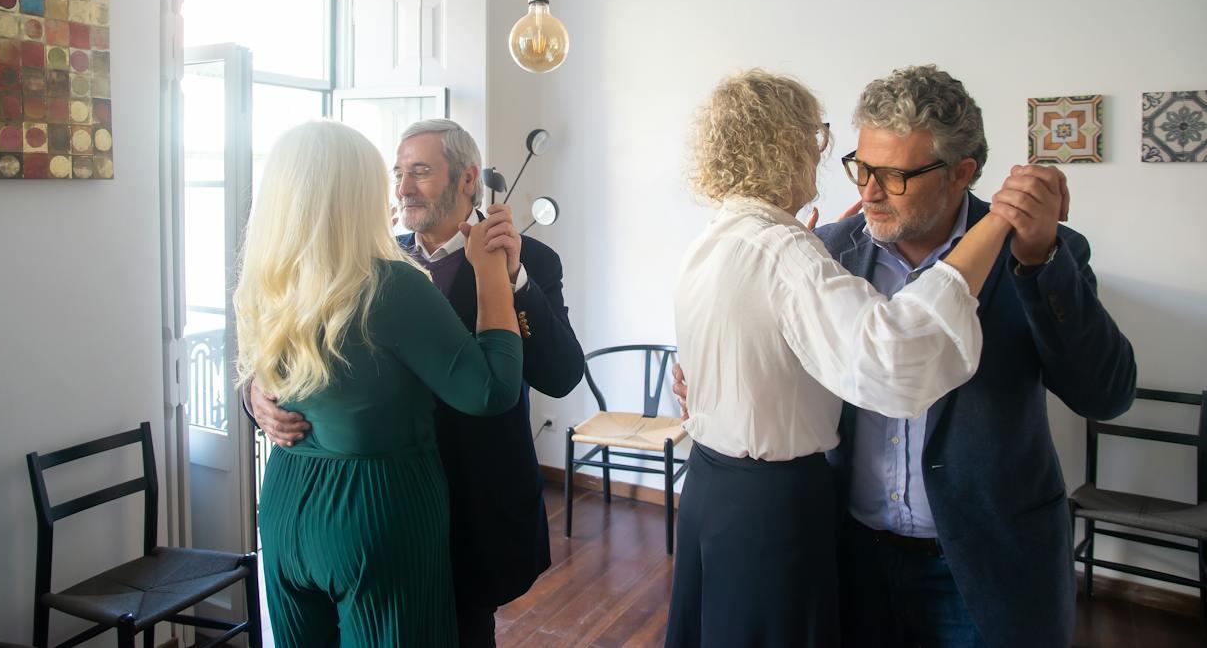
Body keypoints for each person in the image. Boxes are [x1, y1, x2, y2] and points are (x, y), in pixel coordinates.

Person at [666, 68, 1020, 648]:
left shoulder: (719, 237)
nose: (825, 158)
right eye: (817, 139)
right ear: (786, 145)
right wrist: (996, 225)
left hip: (712, 488)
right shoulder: (784, 251)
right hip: (771, 504)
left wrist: (810, 251)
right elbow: (893, 359)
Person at [819, 66, 1135, 648]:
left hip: (987, 567)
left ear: (960, 173)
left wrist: (1041, 262)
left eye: (894, 175)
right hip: (851, 559)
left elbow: (1106, 394)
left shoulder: (1040, 250)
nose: (867, 191)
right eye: (861, 166)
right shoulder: (830, 253)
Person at [249, 118, 586, 648]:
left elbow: (563, 375)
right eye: (398, 172)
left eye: (421, 172)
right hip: (377, 507)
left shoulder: (533, 261)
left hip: (473, 504)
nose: (403, 187)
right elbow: (293, 347)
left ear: (469, 178)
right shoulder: (371, 260)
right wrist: (256, 396)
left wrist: (513, 280)